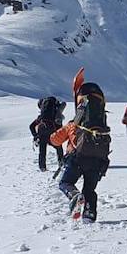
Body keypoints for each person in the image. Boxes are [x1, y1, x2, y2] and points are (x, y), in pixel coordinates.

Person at [58, 80, 112, 221]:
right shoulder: (101, 118)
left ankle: (74, 196)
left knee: (65, 183)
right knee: (89, 190)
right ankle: (89, 215)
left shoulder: (76, 121)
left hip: (78, 157)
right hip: (98, 159)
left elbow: (56, 139)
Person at [30, 95, 66, 172]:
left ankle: (42, 167)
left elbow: (31, 126)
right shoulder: (55, 115)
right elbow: (59, 127)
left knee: (42, 150)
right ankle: (61, 163)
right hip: (51, 132)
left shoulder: (41, 117)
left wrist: (35, 136)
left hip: (41, 132)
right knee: (58, 147)